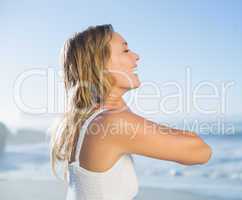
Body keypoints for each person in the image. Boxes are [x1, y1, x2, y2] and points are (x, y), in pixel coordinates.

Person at [50, 24, 212, 200]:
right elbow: (201, 151)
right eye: (125, 51)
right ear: (100, 64)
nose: (136, 56)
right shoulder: (111, 123)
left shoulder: (87, 119)